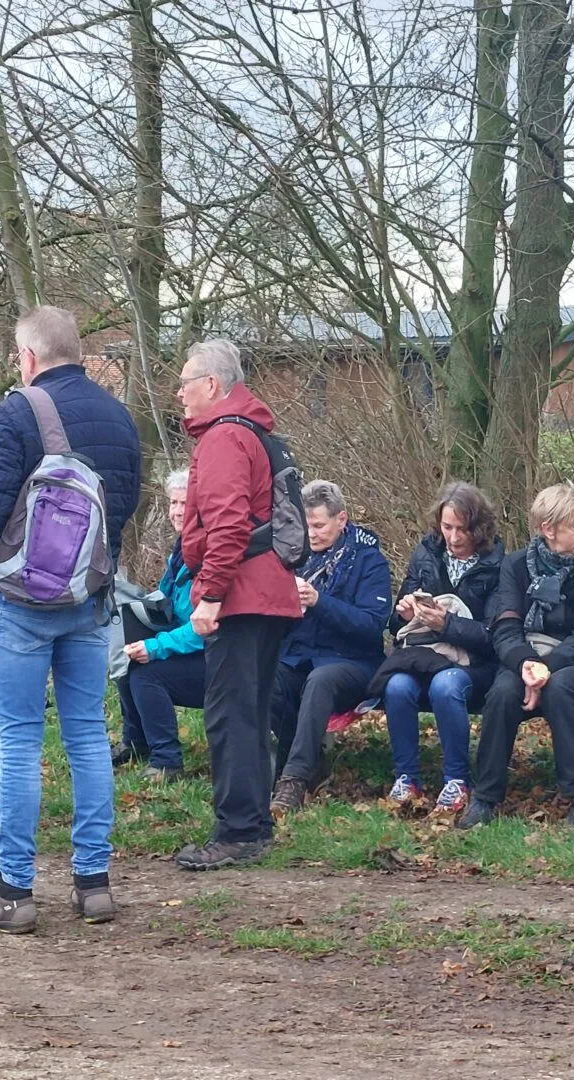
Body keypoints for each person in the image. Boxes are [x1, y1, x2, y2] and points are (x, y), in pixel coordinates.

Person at [0, 306, 142, 932]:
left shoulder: (17, 412)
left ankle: (14, 892)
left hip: (23, 604)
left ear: (28, 357)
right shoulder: (118, 416)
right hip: (89, 600)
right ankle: (93, 884)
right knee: (86, 735)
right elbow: (126, 505)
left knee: (19, 742)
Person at [172, 339, 302, 871]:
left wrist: (211, 595)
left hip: (242, 593)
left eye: (185, 382)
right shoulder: (253, 431)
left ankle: (238, 831)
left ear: (212, 384)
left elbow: (227, 526)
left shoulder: (225, 437)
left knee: (230, 716)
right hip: (268, 591)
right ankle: (254, 824)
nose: (179, 393)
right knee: (248, 712)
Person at [459, 483, 574, 830]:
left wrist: (544, 669)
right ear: (548, 529)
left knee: (561, 687)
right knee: (502, 693)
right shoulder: (516, 565)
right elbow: (505, 629)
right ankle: (485, 797)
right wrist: (526, 664)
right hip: (526, 656)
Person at [373, 482, 504, 816]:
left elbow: (495, 635)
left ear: (480, 528)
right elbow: (395, 625)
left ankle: (457, 780)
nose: (454, 537)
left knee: (446, 686)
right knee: (397, 686)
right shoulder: (426, 553)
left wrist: (447, 624)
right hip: (424, 656)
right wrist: (404, 613)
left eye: (463, 529)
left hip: (475, 664)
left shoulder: (498, 564)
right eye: (447, 527)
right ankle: (407, 778)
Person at [267, 480, 394, 817]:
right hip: (300, 655)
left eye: (319, 525)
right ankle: (302, 764)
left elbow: (371, 626)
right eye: (306, 525)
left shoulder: (369, 561)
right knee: (265, 677)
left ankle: (293, 781)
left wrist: (319, 602)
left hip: (354, 661)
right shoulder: (294, 557)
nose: (311, 534)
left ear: (341, 519)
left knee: (320, 681)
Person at [114, 469, 205, 782]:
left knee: (147, 674)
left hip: (221, 659)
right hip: (191, 648)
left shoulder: (209, 556)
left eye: (185, 504)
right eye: (173, 503)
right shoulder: (182, 550)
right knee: (126, 660)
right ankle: (135, 742)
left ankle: (167, 760)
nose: (177, 511)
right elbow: (165, 604)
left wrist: (155, 647)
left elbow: (203, 628)